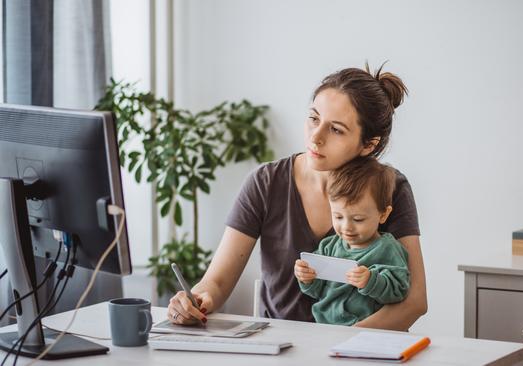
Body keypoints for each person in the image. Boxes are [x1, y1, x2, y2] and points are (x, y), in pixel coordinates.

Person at [167, 63, 427, 331]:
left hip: (359, 351)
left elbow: (414, 302)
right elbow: (217, 283)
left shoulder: (391, 187)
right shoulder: (265, 183)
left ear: (368, 145)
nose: (315, 138)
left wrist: (340, 344)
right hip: (279, 349)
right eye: (314, 119)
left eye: (336, 129)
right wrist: (197, 300)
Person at [295, 157, 410, 325]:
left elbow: (399, 290)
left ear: (383, 214)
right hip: (324, 328)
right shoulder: (329, 246)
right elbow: (317, 291)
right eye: (338, 217)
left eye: (358, 219)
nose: (346, 227)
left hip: (366, 330)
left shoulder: (387, 248)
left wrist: (371, 281)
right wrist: (307, 278)